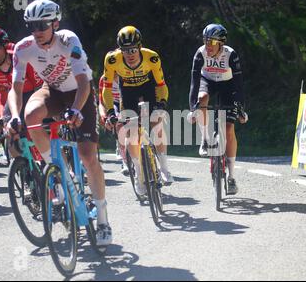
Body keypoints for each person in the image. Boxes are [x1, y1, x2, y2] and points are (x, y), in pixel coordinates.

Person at [7, 0, 111, 246]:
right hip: (52, 91)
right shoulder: (23, 48)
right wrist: (13, 115)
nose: (37, 31)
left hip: (79, 93)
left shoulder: (68, 40)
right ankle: (57, 169)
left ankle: (104, 220)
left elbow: (83, 81)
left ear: (55, 23)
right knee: (30, 116)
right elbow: (16, 88)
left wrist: (76, 109)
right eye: (32, 26)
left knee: (88, 157)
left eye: (42, 25)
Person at [103, 26, 174, 198]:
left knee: (156, 121)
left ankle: (164, 167)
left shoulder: (152, 57)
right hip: (127, 92)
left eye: (134, 49)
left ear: (140, 46)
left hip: (149, 87)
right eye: (126, 50)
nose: (130, 54)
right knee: (131, 131)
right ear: (120, 50)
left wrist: (162, 103)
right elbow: (106, 88)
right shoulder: (112, 60)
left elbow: (161, 85)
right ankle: (139, 174)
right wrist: (111, 111)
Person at [188, 24, 248, 195]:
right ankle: (206, 139)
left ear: (221, 43)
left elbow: (238, 85)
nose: (208, 45)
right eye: (206, 41)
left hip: (227, 85)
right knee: (202, 99)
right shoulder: (200, 53)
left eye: (211, 42)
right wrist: (193, 108)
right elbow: (194, 83)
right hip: (207, 81)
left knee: (229, 129)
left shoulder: (231, 54)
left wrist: (241, 108)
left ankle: (232, 177)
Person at [0, 26, 42, 156]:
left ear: (4, 44)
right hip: (11, 99)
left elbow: (38, 87)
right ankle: (22, 168)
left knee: (33, 124)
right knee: (10, 132)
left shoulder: (19, 56)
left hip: (33, 93)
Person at [97, 73, 129, 175]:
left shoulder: (126, 73)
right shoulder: (104, 78)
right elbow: (101, 101)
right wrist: (103, 116)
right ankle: (126, 162)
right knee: (118, 123)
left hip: (128, 99)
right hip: (113, 103)